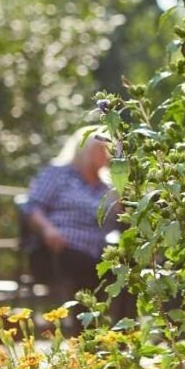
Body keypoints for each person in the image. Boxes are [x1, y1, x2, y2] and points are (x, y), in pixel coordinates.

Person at [24, 126, 133, 323]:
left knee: (130, 270)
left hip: (99, 251)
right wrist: (48, 230)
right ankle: (84, 335)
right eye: (102, 149)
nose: (106, 154)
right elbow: (32, 206)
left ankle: (125, 333)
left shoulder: (107, 186)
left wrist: (120, 172)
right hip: (59, 249)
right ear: (85, 150)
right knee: (84, 269)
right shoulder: (58, 174)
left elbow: (123, 215)